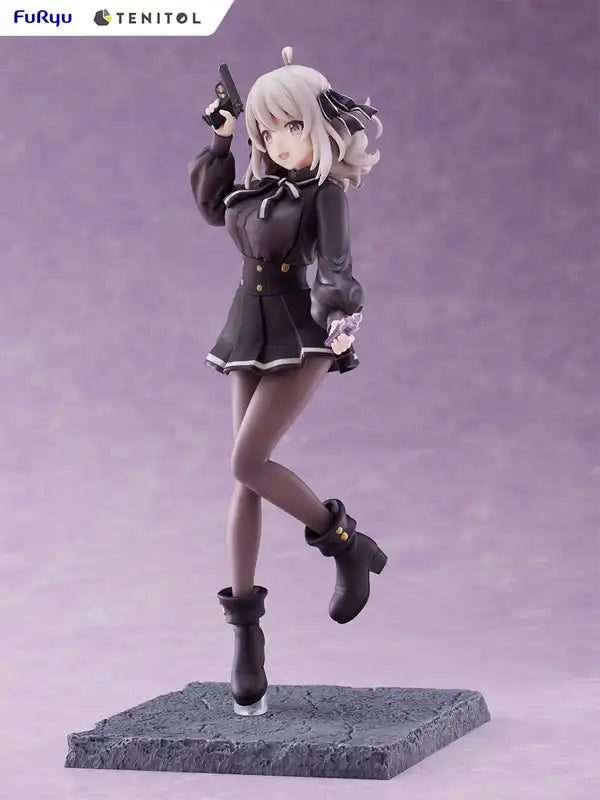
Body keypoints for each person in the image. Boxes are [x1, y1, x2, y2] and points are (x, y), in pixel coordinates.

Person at [188, 45, 387, 716]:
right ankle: (246, 636)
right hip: (247, 329)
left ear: (318, 126)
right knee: (244, 478)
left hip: (301, 332)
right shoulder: (253, 189)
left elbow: (336, 266)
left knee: (247, 461)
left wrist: (341, 316)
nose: (277, 141)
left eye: (291, 126)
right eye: (266, 130)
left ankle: (345, 542)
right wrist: (222, 137)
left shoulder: (322, 194)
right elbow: (211, 205)